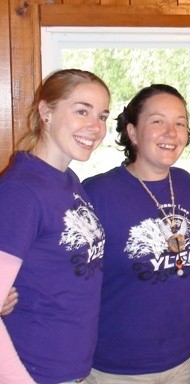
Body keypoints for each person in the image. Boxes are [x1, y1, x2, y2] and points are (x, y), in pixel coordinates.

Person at [82, 84, 190, 383]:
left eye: (180, 123)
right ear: (133, 133)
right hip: (117, 366)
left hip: (186, 358)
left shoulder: (187, 184)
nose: (171, 132)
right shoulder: (97, 192)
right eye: (157, 121)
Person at [0, 68, 110, 383]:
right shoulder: (21, 190)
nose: (95, 127)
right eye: (81, 111)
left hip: (72, 368)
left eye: (102, 115)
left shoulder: (68, 181)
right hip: (34, 372)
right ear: (46, 111)